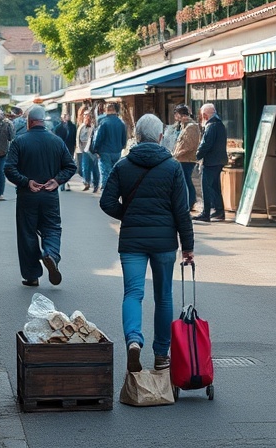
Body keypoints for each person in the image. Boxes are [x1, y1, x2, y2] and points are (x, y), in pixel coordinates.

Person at [100, 113, 194, 373]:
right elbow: (182, 211)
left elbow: (106, 202)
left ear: (137, 137)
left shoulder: (122, 165)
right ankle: (162, 355)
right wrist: (188, 246)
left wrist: (128, 217)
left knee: (133, 293)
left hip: (132, 242)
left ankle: (133, 340)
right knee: (163, 297)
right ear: (161, 137)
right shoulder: (173, 167)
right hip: (164, 243)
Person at [4, 106, 77, 287]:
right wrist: (56, 180)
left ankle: (32, 275)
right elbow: (70, 166)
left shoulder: (19, 142)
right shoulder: (56, 141)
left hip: (27, 194)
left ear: (28, 121)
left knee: (27, 233)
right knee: (52, 227)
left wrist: (26, 181)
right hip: (50, 194)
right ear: (43, 121)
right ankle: (51, 253)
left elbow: (9, 168)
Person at [194, 103, 227, 223]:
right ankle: (219, 211)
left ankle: (206, 213)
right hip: (218, 161)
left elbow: (206, 144)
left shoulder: (211, 126)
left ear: (204, 115)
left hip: (211, 162)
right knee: (214, 187)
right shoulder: (220, 124)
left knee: (206, 187)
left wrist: (197, 155)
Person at [92, 101, 127, 194]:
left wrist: (95, 149)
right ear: (115, 110)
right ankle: (115, 191)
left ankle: (106, 193)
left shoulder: (103, 122)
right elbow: (124, 138)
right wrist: (121, 146)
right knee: (115, 172)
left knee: (105, 173)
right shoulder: (121, 123)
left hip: (105, 151)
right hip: (117, 151)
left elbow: (98, 137)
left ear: (106, 110)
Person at [171, 105, 201, 211]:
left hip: (187, 159)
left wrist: (176, 154)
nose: (175, 116)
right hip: (182, 159)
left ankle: (190, 202)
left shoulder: (191, 126)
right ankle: (188, 202)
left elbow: (190, 145)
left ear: (181, 114)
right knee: (184, 181)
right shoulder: (185, 125)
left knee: (186, 181)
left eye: (176, 113)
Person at [53, 111, 78, 191]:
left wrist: (75, 146)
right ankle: (63, 183)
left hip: (70, 148)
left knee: (68, 166)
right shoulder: (58, 127)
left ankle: (66, 183)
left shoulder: (73, 126)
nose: (66, 117)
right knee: (61, 166)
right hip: (61, 149)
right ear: (62, 117)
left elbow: (75, 138)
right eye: (64, 116)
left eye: (67, 115)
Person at [77, 111, 100, 192]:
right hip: (84, 150)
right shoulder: (81, 127)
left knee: (95, 168)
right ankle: (86, 183)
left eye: (88, 116)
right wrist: (79, 149)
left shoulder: (95, 126)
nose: (86, 117)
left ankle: (96, 185)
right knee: (85, 168)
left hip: (93, 150)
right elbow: (78, 138)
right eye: (85, 116)